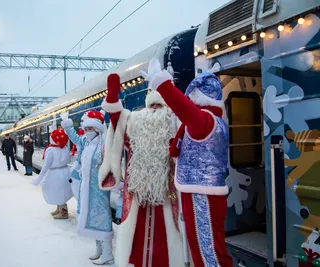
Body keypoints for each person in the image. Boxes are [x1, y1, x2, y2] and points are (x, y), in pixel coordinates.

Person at [141, 58, 233, 266]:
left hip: (203, 195)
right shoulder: (212, 122)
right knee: (202, 248)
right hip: (199, 192)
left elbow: (183, 109)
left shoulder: (205, 122)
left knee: (208, 251)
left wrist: (162, 84)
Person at [99, 74, 184, 267]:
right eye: (151, 106)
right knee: (135, 244)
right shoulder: (135, 124)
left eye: (159, 106)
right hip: (138, 195)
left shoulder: (174, 126)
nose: (154, 110)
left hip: (167, 196)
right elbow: (116, 120)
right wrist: (112, 96)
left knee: (168, 245)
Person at [61, 110, 114, 265]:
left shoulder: (104, 145)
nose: (88, 131)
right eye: (87, 128)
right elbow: (75, 138)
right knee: (92, 220)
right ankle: (99, 249)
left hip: (99, 190)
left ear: (98, 129)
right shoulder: (86, 142)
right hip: (87, 189)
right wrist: (68, 125)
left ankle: (108, 254)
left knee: (102, 219)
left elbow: (111, 163)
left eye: (91, 128)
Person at [32, 130, 72, 219]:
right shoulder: (65, 148)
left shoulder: (51, 150)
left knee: (56, 190)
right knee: (62, 191)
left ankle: (63, 213)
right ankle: (59, 209)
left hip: (54, 174)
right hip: (65, 171)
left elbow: (46, 165)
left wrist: (38, 179)